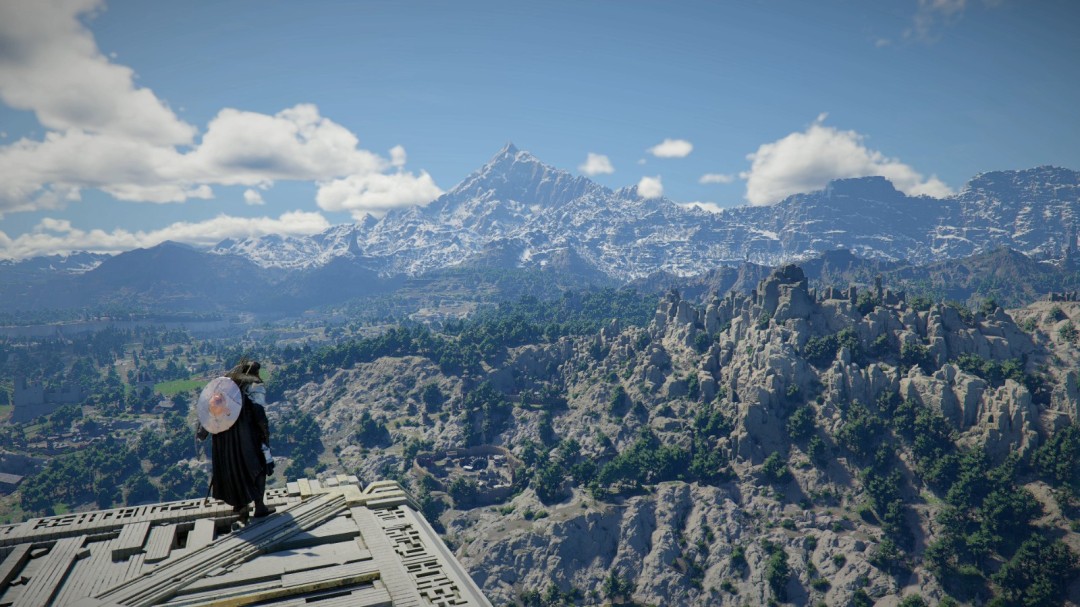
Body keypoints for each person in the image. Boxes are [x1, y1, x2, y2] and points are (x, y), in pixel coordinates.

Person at [197, 358, 276, 517]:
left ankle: (241, 506)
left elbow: (208, 416)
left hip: (224, 442)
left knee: (234, 471)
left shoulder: (223, 392)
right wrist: (265, 437)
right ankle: (259, 506)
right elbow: (260, 415)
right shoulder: (251, 390)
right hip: (246, 439)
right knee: (258, 468)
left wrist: (203, 433)